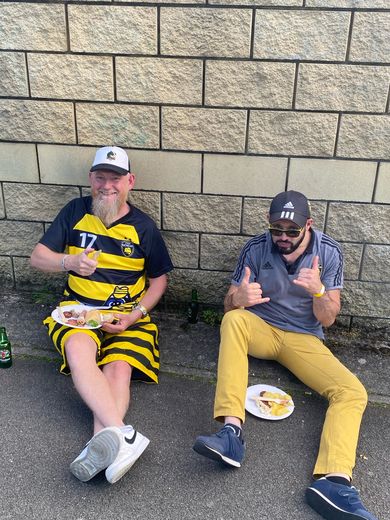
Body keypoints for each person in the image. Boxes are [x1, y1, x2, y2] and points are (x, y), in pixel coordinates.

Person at [193, 191, 377, 520]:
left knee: (352, 392)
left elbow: (328, 318)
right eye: (277, 229)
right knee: (233, 319)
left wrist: (318, 291)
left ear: (308, 225)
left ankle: (333, 481)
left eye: (292, 231)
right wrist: (238, 299)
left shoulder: (329, 252)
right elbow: (229, 301)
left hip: (304, 339)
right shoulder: (255, 248)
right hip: (261, 328)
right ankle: (231, 433)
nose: (283, 237)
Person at [30, 146, 173, 484]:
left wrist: (134, 316)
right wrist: (69, 262)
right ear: (90, 179)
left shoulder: (143, 227)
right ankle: (124, 437)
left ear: (130, 182)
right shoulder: (74, 212)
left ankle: (101, 448)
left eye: (116, 178)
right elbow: (38, 257)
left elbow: (159, 280)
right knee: (80, 353)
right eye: (100, 177)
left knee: (119, 369)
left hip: (127, 314)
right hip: (77, 311)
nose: (107, 185)